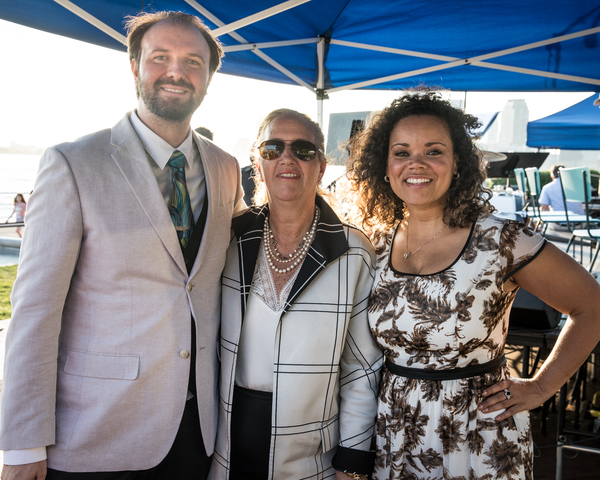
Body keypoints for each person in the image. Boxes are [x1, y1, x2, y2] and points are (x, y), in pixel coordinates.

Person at [0, 11, 245, 480]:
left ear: (210, 77)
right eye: (160, 58)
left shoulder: (225, 167)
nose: (177, 71)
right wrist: (23, 442)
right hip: (96, 433)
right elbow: (35, 311)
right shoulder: (73, 163)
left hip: (197, 433)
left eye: (193, 61)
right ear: (134, 67)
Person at [347, 90, 600, 479]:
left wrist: (540, 387)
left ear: (458, 163)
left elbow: (592, 307)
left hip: (478, 433)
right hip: (396, 432)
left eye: (434, 151)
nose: (416, 163)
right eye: (401, 152)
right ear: (384, 165)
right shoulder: (373, 244)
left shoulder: (502, 241)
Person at [209, 109, 383, 480]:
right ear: (258, 165)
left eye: (303, 150)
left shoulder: (353, 251)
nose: (287, 158)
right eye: (272, 149)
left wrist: (352, 463)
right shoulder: (228, 240)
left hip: (311, 457)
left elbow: (361, 371)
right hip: (225, 445)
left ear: (321, 167)